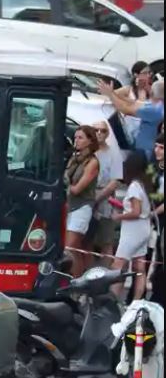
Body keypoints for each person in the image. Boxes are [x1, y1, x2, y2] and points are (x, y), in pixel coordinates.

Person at [111, 151, 153, 301]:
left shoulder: (134, 186)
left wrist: (118, 216)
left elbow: (135, 211)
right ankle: (136, 301)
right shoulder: (144, 185)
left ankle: (113, 299)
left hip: (132, 230)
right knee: (139, 267)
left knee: (119, 264)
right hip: (144, 228)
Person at [65, 125, 101, 277]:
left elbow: (78, 188)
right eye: (75, 137)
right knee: (74, 248)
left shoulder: (92, 162)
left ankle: (76, 280)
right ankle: (75, 279)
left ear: (90, 141)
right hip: (69, 205)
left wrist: (66, 184)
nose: (77, 141)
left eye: (81, 138)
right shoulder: (74, 159)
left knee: (71, 246)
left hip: (82, 206)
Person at [99, 78, 164, 160]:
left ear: (153, 93)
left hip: (145, 151)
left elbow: (125, 109)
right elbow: (134, 103)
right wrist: (112, 93)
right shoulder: (158, 105)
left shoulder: (155, 110)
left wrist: (110, 95)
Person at [91, 119, 125, 263]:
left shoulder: (114, 154)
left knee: (106, 240)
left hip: (105, 201)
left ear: (107, 133)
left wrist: (97, 197)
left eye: (103, 130)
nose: (99, 133)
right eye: (96, 130)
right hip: (86, 198)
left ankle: (105, 277)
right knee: (86, 240)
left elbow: (115, 181)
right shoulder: (86, 151)